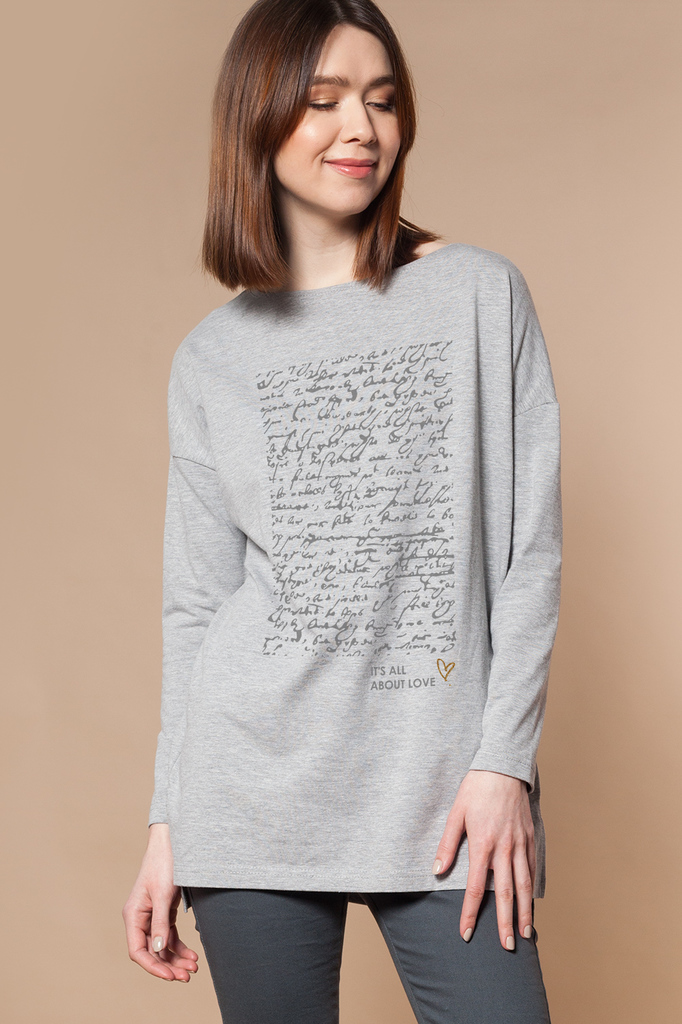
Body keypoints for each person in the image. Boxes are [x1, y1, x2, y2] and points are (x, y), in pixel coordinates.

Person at [122, 1, 562, 1021]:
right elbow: (198, 607)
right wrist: (169, 818)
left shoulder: (479, 294)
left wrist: (504, 763)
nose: (360, 127)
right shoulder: (213, 356)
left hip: (448, 793)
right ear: (259, 117)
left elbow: (527, 553)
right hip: (248, 794)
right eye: (322, 101)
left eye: (381, 99)